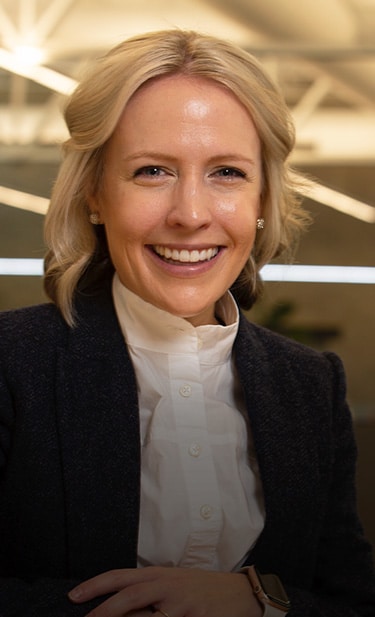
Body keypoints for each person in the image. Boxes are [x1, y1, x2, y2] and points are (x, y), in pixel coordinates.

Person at [0, 29, 374, 617]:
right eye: (152, 171)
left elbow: (351, 601)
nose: (191, 215)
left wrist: (260, 603)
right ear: (94, 194)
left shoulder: (310, 385)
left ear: (261, 201)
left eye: (227, 173)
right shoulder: (11, 365)